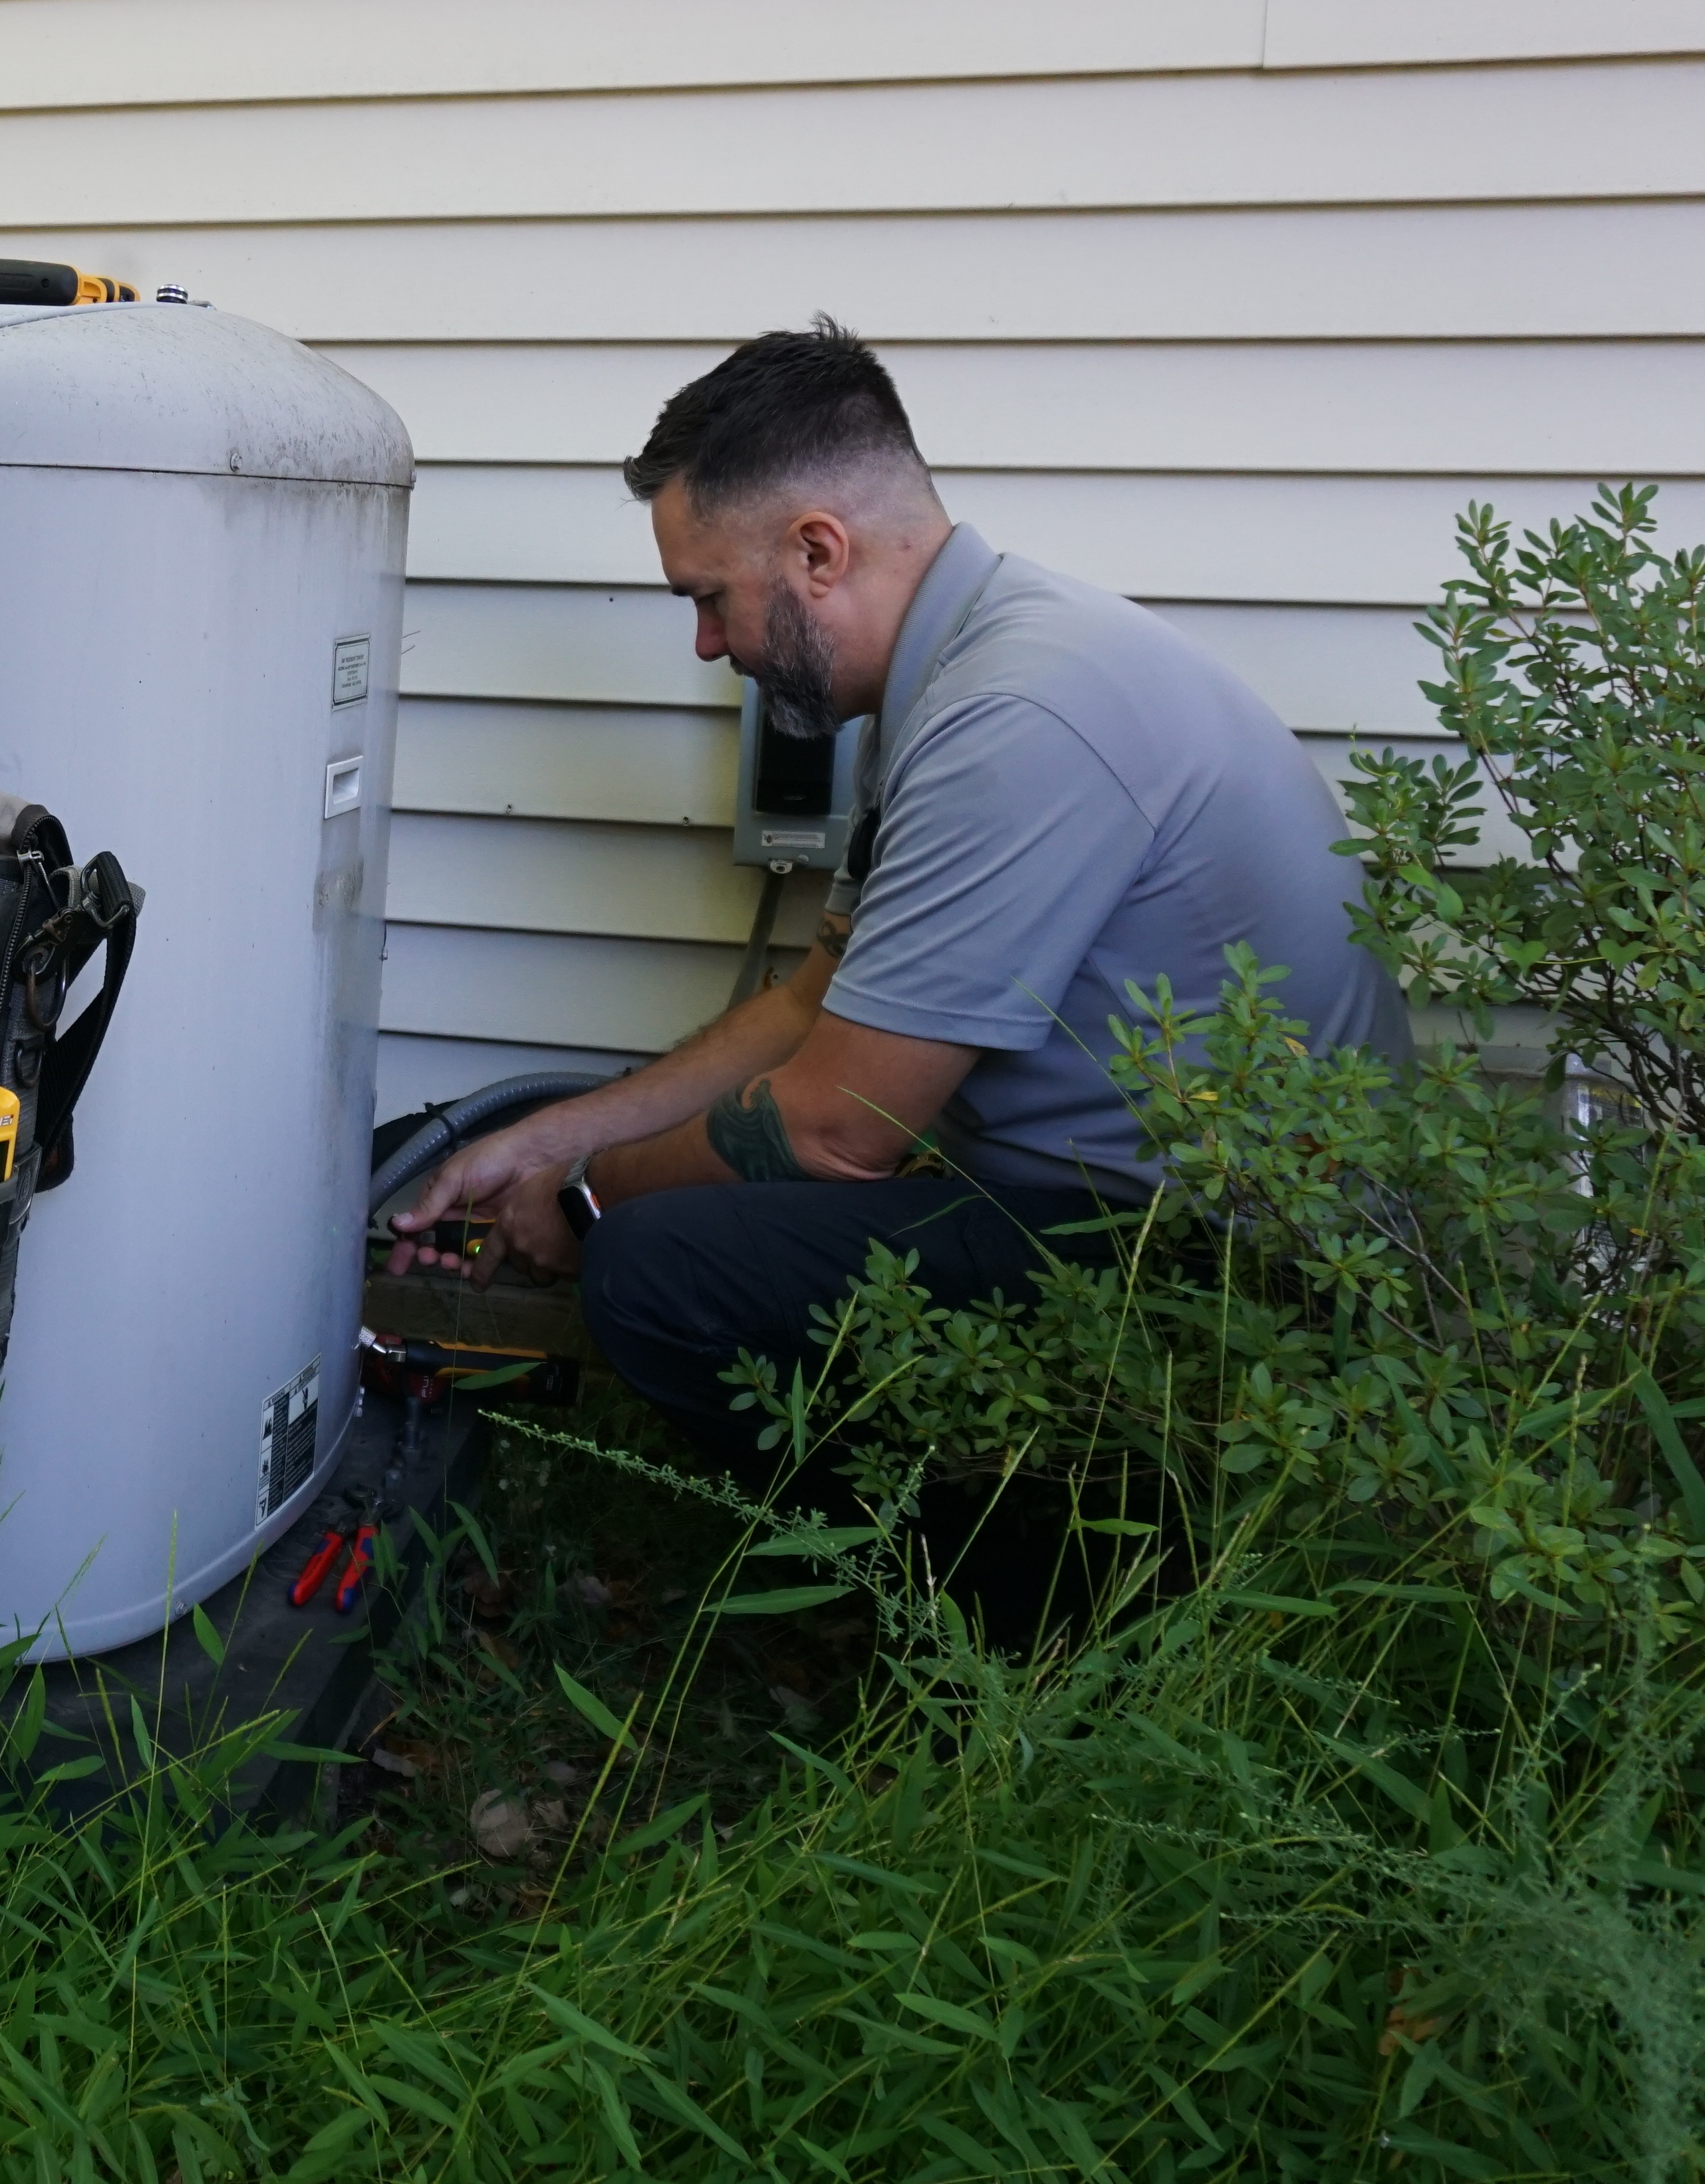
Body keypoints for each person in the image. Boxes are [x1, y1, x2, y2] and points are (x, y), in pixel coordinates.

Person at [385, 318, 1411, 1514]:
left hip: (1226, 1279)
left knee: (658, 1266)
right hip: (1107, 1212)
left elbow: (836, 1129)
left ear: (819, 550)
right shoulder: (957, 676)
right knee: (698, 1194)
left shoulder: (1020, 716)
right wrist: (551, 1138)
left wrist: (586, 1199)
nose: (708, 643)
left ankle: (1023, 1600)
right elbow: (814, 1004)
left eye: (711, 598)